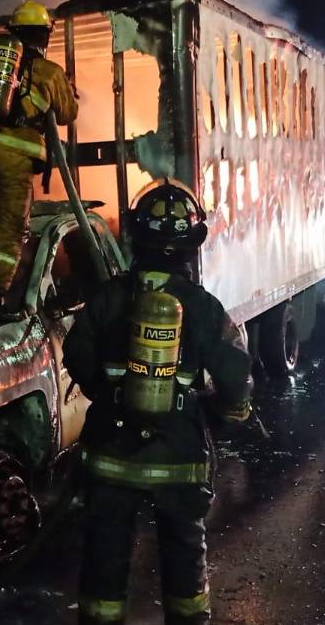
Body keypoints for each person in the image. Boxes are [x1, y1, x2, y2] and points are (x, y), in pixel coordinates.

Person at [63, 182, 253, 625]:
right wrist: (229, 415)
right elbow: (234, 374)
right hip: (179, 458)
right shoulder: (203, 307)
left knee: (105, 554)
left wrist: (111, 397)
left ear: (135, 236)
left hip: (110, 455)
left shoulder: (109, 297)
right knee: (184, 551)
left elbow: (77, 354)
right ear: (192, 244)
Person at [0, 0, 78, 316]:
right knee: (12, 227)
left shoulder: (2, 65)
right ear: (44, 35)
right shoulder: (50, 71)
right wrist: (69, 88)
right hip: (15, 153)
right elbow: (68, 113)